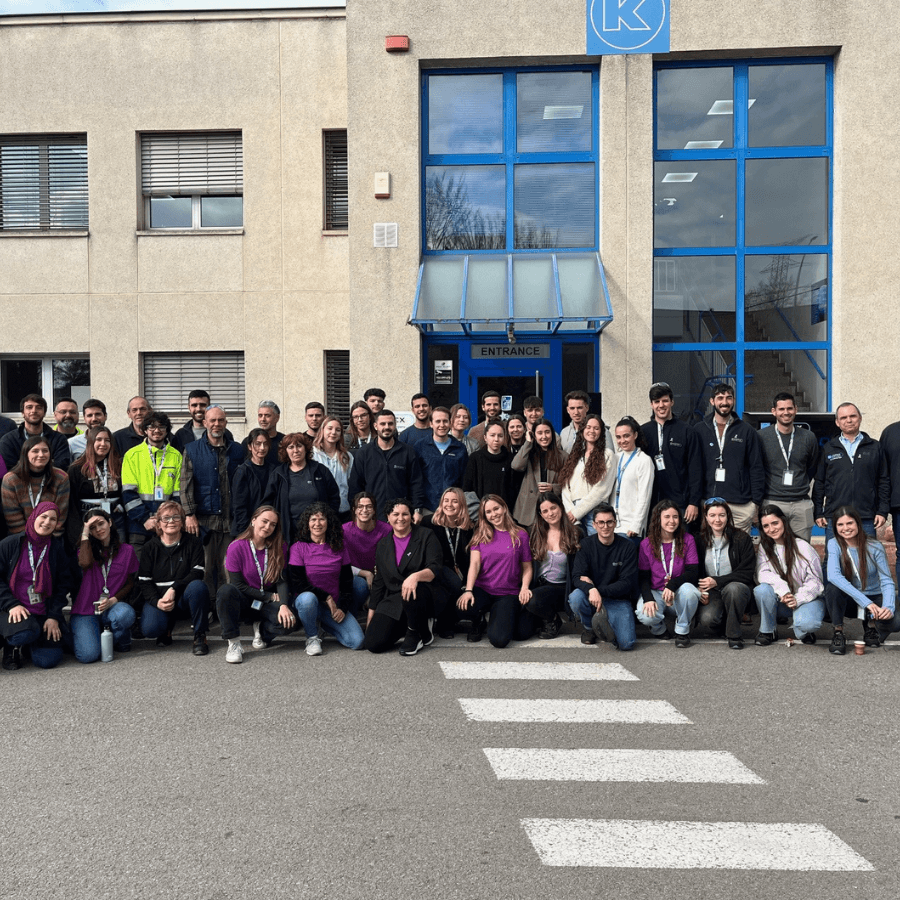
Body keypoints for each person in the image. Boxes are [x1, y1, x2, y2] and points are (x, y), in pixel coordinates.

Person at [216, 505, 297, 664]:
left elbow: (282, 579)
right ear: (253, 520)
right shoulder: (236, 547)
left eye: (273, 524)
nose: (268, 527)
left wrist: (283, 605)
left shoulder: (279, 546)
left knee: (290, 622)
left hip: (264, 604)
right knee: (225, 591)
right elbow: (238, 586)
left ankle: (261, 630)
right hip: (246, 601)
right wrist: (268, 596)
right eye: (264, 521)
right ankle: (233, 643)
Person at [363, 497, 442, 655]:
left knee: (412, 589)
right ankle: (417, 625)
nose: (400, 518)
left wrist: (415, 577)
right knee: (373, 644)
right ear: (388, 517)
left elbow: (435, 567)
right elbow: (379, 581)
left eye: (405, 514)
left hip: (421, 593)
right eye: (395, 514)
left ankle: (415, 633)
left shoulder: (426, 535)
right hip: (394, 599)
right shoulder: (383, 545)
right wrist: (371, 614)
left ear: (412, 516)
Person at [181, 405, 244, 596]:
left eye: (221, 420)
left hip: (230, 521)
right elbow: (185, 485)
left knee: (229, 570)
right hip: (203, 522)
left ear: (226, 422)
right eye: (213, 420)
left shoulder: (238, 450)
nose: (217, 424)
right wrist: (189, 514)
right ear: (205, 422)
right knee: (205, 569)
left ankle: (227, 611)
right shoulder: (192, 450)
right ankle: (208, 608)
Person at [0, 502, 70, 671]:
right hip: (13, 610)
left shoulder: (56, 548)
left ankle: (30, 644)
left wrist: (53, 616)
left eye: (53, 519)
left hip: (42, 611)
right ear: (33, 517)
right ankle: (12, 647)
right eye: (43, 517)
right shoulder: (10, 544)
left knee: (48, 660)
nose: (47, 522)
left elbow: (64, 584)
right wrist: (11, 604)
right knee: (24, 633)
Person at [288, 502, 364, 656]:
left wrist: (342, 607)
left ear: (328, 522)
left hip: (333, 607)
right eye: (313, 520)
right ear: (307, 523)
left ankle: (324, 625)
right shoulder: (298, 548)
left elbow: (347, 582)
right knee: (308, 599)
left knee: (358, 642)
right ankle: (312, 636)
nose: (317, 524)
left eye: (321, 519)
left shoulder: (339, 546)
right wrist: (326, 597)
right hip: (308, 603)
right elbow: (298, 584)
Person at [457, 494, 533, 647]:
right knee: (459, 608)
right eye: (488, 512)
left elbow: (527, 567)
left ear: (504, 508)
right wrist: (469, 590)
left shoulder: (521, 534)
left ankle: (501, 616)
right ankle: (479, 620)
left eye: (496, 509)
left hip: (507, 593)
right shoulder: (480, 534)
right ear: (484, 515)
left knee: (499, 640)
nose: (493, 514)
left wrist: (524, 588)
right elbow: (474, 564)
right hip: (482, 589)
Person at [136, 499, 210, 655]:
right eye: (166, 518)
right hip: (160, 598)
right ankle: (166, 627)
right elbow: (144, 581)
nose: (171, 521)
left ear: (182, 522)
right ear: (159, 523)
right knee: (150, 629)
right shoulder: (150, 547)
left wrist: (174, 588)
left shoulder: (193, 543)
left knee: (198, 587)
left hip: (183, 597)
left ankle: (200, 635)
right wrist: (157, 602)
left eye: (176, 517)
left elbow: (197, 572)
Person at [813, 403, 889, 551]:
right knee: (833, 559)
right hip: (835, 516)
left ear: (859, 418)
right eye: (843, 417)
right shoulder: (828, 448)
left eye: (852, 416)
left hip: (866, 516)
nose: (849, 420)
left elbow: (883, 480)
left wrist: (882, 511)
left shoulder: (875, 447)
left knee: (868, 559)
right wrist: (818, 511)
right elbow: (820, 482)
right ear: (837, 422)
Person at [824, 506, 898, 655]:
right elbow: (833, 575)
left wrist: (889, 607)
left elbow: (886, 580)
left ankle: (871, 626)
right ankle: (838, 632)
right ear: (835, 527)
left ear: (858, 523)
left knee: (896, 621)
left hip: (872, 598)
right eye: (840, 524)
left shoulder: (875, 546)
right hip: (851, 600)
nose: (846, 528)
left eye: (849, 523)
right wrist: (866, 602)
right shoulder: (834, 544)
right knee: (833, 588)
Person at [694, 383, 765, 534]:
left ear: (733, 401)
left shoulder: (747, 431)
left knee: (739, 552)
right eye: (720, 398)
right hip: (708, 503)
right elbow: (692, 467)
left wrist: (755, 504)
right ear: (712, 401)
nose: (724, 402)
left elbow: (756, 468)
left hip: (740, 506)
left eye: (728, 398)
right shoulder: (699, 430)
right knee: (710, 552)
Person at [568, 503, 640, 650]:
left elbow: (627, 583)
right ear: (594, 525)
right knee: (576, 597)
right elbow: (577, 576)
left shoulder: (628, 547)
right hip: (591, 598)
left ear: (615, 523)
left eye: (609, 522)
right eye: (601, 522)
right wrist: (590, 590)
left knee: (626, 644)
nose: (605, 526)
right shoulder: (586, 545)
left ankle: (606, 623)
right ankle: (589, 627)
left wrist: (595, 589)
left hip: (617, 599)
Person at [71, 510, 138, 662]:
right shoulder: (85, 549)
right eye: (92, 527)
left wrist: (113, 600)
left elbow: (130, 583)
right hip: (86, 611)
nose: (98, 529)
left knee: (125, 614)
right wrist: (85, 533)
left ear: (110, 522)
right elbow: (85, 563)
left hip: (111, 607)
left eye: (101, 523)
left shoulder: (127, 550)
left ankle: (115, 638)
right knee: (88, 656)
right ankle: (86, 636)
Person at [753, 503, 824, 646]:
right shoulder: (765, 548)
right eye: (766, 526)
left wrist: (797, 598)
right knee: (761, 590)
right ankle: (768, 630)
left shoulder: (803, 546)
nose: (771, 529)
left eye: (775, 523)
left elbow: (816, 582)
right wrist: (783, 590)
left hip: (806, 599)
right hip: (781, 599)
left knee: (808, 624)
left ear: (783, 521)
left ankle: (803, 630)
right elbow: (762, 573)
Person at [636, 500, 701, 648]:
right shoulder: (646, 544)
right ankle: (659, 629)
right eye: (667, 517)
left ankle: (682, 630)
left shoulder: (688, 539)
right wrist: (647, 598)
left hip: (678, 591)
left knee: (690, 592)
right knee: (645, 614)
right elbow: (643, 576)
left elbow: (692, 572)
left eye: (675, 517)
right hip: (656, 592)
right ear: (658, 519)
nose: (672, 521)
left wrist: (672, 585)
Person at [640, 382, 703, 529]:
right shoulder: (643, 432)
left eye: (665, 401)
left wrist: (693, 502)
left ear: (672, 402)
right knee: (655, 547)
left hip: (680, 505)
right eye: (657, 402)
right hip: (651, 505)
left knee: (682, 547)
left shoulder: (687, 431)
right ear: (651, 404)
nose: (661, 405)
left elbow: (696, 470)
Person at [694, 499, 755, 649]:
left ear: (728, 516)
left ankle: (734, 635)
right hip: (711, 591)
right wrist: (698, 586)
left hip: (736, 588)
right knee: (708, 619)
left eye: (722, 515)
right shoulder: (698, 540)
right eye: (712, 515)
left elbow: (747, 572)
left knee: (733, 589)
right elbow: (693, 569)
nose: (717, 519)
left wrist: (717, 581)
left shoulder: (741, 538)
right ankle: (725, 625)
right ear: (706, 517)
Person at [759, 393, 820, 543]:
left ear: (796, 409)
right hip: (772, 501)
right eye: (781, 409)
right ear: (774, 411)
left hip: (801, 503)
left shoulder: (808, 437)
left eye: (789, 408)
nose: (786, 412)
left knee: (802, 551)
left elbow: (811, 468)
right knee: (773, 550)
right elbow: (757, 469)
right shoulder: (761, 437)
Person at [121, 411, 182, 555]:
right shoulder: (132, 455)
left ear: (167, 430)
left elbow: (178, 494)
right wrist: (145, 519)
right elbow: (128, 493)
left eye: (161, 427)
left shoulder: (176, 456)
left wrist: (165, 520)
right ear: (145, 430)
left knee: (164, 570)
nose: (156, 430)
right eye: (151, 427)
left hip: (167, 526)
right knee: (139, 571)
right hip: (139, 526)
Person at [347, 410, 426, 522]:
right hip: (372, 514)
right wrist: (356, 511)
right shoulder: (364, 453)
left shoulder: (407, 452)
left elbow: (416, 483)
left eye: (390, 423)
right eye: (382, 424)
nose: (387, 427)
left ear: (395, 425)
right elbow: (355, 485)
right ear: (375, 426)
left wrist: (417, 510)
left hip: (400, 515)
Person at [264, 432, 340, 545]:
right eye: (291, 447)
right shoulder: (278, 474)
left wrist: (327, 520)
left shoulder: (320, 470)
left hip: (317, 531)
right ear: (285, 451)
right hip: (289, 532)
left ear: (306, 448)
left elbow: (334, 497)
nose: (296, 450)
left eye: (299, 446)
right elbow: (268, 503)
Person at [527, 492, 581, 640]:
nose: (550, 513)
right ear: (540, 514)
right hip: (539, 586)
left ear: (561, 507)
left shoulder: (575, 533)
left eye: (553, 508)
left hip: (562, 587)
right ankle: (542, 616)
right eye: (545, 511)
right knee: (522, 631)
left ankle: (553, 620)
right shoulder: (534, 533)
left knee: (533, 600)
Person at [66, 425, 127, 549]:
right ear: (90, 442)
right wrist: (78, 530)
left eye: (107, 440)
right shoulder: (77, 469)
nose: (103, 444)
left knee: (117, 556)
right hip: (88, 520)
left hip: (116, 519)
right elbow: (72, 503)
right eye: (98, 440)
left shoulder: (118, 465)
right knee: (91, 558)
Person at [558, 413, 615, 536]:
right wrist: (570, 511)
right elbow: (566, 486)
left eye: (596, 428)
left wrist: (577, 512)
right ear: (582, 429)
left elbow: (602, 489)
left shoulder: (608, 455)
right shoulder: (575, 455)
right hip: (572, 511)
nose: (592, 431)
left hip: (596, 511)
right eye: (588, 427)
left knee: (596, 550)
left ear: (601, 432)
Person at [2, 435, 69, 537]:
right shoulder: (11, 480)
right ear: (26, 454)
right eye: (35, 451)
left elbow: (60, 516)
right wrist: (29, 540)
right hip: (20, 538)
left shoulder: (61, 478)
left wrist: (47, 541)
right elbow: (13, 519)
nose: (41, 455)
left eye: (45, 451)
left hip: (51, 538)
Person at [511, 417, 567, 527]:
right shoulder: (529, 452)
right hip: (529, 507)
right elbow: (516, 465)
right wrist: (527, 442)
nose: (544, 437)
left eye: (547, 432)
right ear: (534, 435)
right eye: (539, 433)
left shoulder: (563, 456)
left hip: (551, 506)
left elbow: (569, 484)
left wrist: (553, 488)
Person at [342, 491, 392, 614]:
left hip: (381, 577)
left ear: (374, 510)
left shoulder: (386, 530)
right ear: (354, 509)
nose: (364, 510)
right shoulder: (344, 530)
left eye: (369, 506)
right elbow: (339, 563)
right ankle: (352, 615)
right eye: (360, 506)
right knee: (359, 586)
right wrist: (365, 573)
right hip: (356, 576)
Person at [416, 406, 468, 514]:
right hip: (428, 508)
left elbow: (464, 480)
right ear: (431, 423)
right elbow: (415, 479)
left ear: (450, 423)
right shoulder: (420, 447)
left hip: (453, 508)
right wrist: (417, 508)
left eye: (445, 421)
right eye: (438, 421)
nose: (442, 425)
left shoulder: (460, 448)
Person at [0, 393, 71, 471]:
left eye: (39, 407)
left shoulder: (59, 439)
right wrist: (46, 463)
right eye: (29, 407)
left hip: (50, 482)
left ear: (44, 413)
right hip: (19, 483)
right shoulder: (8, 440)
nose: (34, 411)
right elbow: (9, 470)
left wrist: (21, 463)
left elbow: (61, 468)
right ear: (22, 413)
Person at [612, 416, 654, 542]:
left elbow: (644, 496)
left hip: (630, 528)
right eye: (618, 437)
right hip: (613, 526)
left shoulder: (644, 460)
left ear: (635, 435)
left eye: (626, 436)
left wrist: (636, 525)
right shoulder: (616, 458)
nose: (622, 440)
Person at [231, 428, 276, 537]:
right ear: (250, 446)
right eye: (258, 444)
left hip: (269, 528)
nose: (262, 448)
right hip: (247, 529)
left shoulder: (274, 470)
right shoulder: (242, 471)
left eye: (265, 444)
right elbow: (239, 506)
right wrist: (246, 532)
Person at [463, 420, 516, 512]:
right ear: (485, 438)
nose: (496, 439)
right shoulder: (475, 458)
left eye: (500, 436)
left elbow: (514, 490)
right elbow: (467, 488)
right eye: (492, 435)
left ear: (504, 438)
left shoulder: (510, 459)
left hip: (505, 513)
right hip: (480, 512)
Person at [312, 415, 355, 518]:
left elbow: (351, 483)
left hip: (343, 509)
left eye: (338, 430)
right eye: (330, 428)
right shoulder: (312, 455)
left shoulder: (347, 457)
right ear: (322, 430)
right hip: (319, 511)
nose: (333, 432)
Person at [241, 401, 284, 465]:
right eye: (260, 415)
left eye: (267, 416)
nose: (263, 419)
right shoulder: (248, 441)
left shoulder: (284, 441)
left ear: (277, 418)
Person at [559, 389, 590, 454]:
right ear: (568, 410)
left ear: (587, 408)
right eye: (572, 408)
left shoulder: (600, 431)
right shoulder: (564, 433)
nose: (576, 412)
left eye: (579, 408)